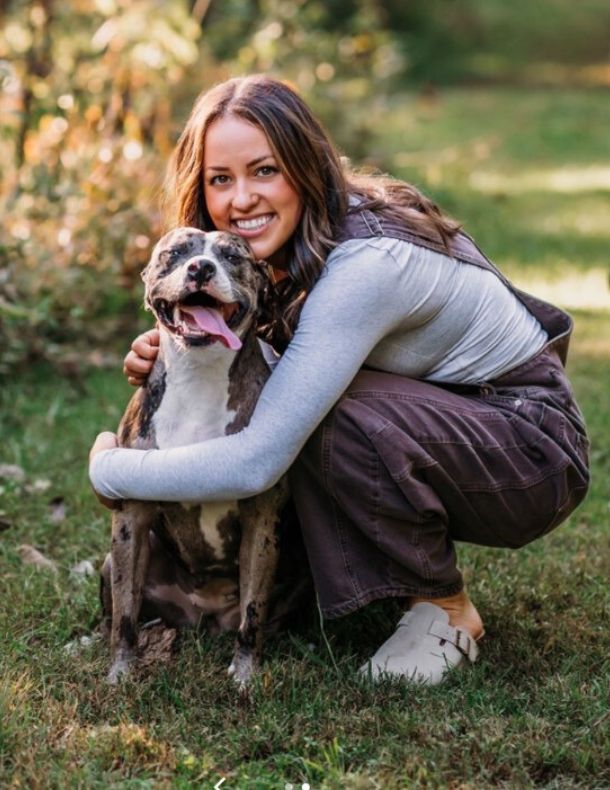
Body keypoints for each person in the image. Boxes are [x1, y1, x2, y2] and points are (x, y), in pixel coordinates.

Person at [89, 74, 590, 685]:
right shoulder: (300, 243)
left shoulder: (364, 266)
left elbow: (257, 461)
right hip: (466, 424)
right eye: (221, 179)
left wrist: (113, 469)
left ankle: (444, 612)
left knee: (303, 412)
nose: (241, 198)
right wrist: (184, 345)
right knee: (295, 393)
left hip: (528, 453)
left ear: (306, 165)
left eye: (265, 170)